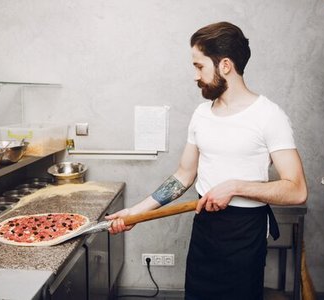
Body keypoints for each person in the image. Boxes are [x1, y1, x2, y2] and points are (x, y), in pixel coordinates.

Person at [106, 21, 308, 300]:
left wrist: (235, 186)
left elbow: (297, 189)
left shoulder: (269, 116)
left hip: (245, 232)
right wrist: (136, 213)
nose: (195, 75)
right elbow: (183, 175)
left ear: (225, 65)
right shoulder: (201, 114)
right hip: (204, 229)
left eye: (199, 66)